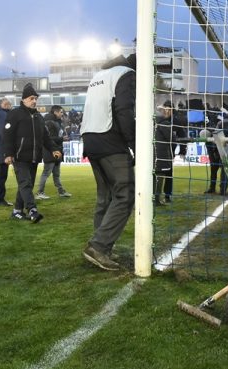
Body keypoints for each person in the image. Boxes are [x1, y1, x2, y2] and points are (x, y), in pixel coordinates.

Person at [80, 54, 136, 271]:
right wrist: (134, 143)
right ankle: (100, 247)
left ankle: (99, 246)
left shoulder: (99, 75)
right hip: (110, 139)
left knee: (106, 195)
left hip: (90, 139)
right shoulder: (127, 74)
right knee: (126, 192)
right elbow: (124, 111)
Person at [3, 83, 62, 223]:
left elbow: (46, 137)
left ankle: (17, 211)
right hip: (19, 156)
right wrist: (8, 154)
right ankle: (32, 210)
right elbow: (7, 136)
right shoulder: (14, 114)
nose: (34, 101)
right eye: (31, 98)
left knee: (25, 185)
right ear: (23, 99)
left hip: (35, 158)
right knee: (26, 184)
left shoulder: (38, 117)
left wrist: (54, 149)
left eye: (35, 98)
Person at [36, 105, 72, 199]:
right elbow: (48, 139)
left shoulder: (56, 122)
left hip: (57, 151)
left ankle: (61, 191)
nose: (62, 114)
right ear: (55, 112)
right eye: (60, 112)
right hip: (50, 151)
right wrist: (61, 138)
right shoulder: (49, 122)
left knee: (56, 174)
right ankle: (39, 193)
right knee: (46, 173)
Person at [154, 101, 177, 206]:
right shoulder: (165, 124)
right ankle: (157, 199)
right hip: (162, 154)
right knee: (161, 176)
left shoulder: (153, 122)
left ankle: (153, 198)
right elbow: (171, 139)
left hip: (152, 154)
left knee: (154, 176)